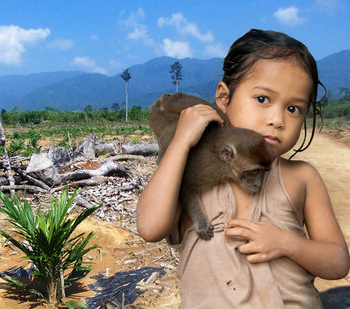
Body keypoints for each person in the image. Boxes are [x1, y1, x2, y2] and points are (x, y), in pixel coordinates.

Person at [137, 29, 349, 308]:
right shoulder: (189, 173)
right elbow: (150, 228)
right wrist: (181, 141)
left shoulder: (302, 177)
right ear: (224, 98)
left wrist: (288, 244)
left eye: (294, 108)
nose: (277, 120)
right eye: (263, 99)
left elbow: (337, 264)